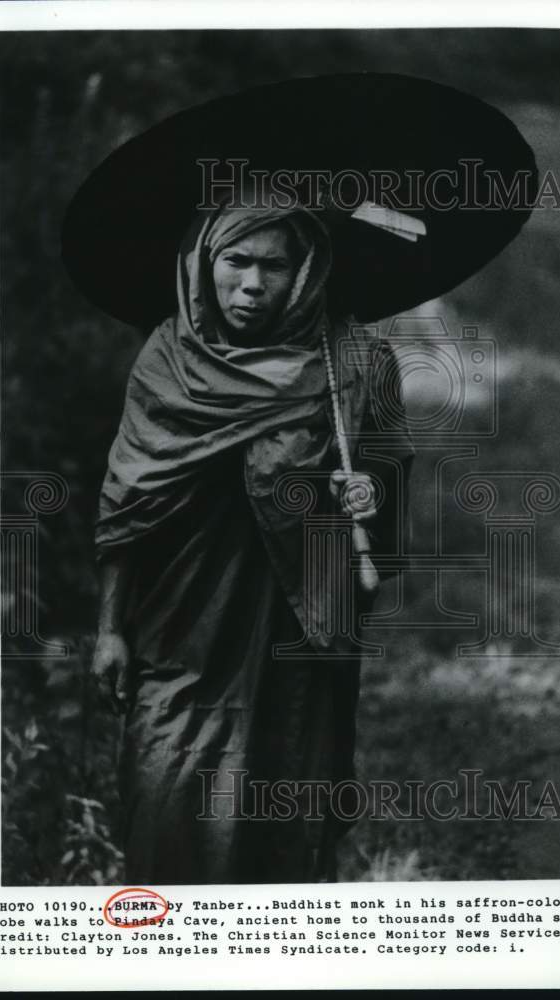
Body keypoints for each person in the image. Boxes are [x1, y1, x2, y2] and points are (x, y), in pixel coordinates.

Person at [90, 194, 414, 885]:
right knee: (168, 783)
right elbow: (126, 504)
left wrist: (369, 496)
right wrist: (109, 627)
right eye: (235, 261)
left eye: (275, 265)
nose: (251, 285)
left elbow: (384, 509)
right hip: (179, 627)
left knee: (287, 785)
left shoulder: (355, 360)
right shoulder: (167, 359)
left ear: (305, 271)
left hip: (297, 627)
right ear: (203, 263)